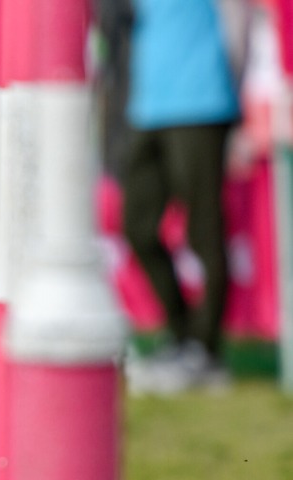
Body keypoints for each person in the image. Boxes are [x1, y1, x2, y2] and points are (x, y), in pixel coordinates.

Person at [122, 0, 251, 393]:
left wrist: (237, 99)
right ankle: (183, 339)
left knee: (204, 229)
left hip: (202, 100)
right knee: (138, 227)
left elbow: (238, 17)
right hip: (148, 106)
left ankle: (206, 353)